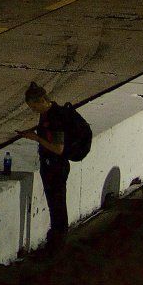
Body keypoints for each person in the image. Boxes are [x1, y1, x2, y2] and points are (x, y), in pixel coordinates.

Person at [21, 81, 86, 249]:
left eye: (34, 107)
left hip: (56, 167)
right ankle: (57, 237)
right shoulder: (47, 114)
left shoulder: (54, 118)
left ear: (41, 101)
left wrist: (36, 138)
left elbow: (58, 148)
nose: (33, 110)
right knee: (54, 204)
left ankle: (58, 240)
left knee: (57, 205)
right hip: (51, 165)